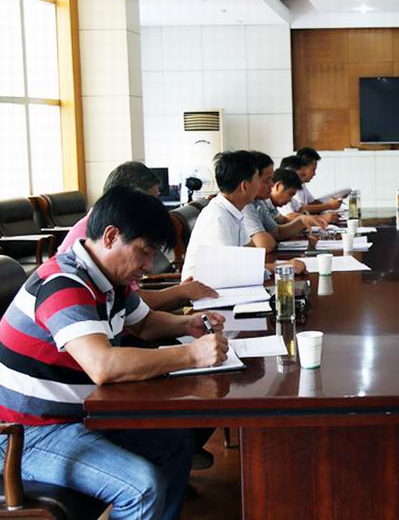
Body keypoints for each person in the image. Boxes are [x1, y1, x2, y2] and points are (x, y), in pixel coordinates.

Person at [0, 186, 229, 520]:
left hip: (78, 418)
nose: (148, 266)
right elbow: (103, 365)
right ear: (110, 237)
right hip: (27, 433)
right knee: (141, 488)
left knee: (174, 443)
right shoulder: (64, 283)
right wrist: (192, 356)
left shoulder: (108, 280)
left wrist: (187, 324)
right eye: (144, 252)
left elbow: (144, 324)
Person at [57, 161, 217, 310]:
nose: (156, 207)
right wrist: (182, 292)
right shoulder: (93, 242)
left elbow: (134, 312)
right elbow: (136, 305)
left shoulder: (117, 235)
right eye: (152, 200)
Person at [181, 151, 305, 281]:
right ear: (244, 186)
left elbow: (244, 254)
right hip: (206, 289)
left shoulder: (233, 210)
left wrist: (278, 266)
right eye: (258, 179)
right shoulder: (217, 217)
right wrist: (277, 267)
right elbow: (228, 270)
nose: (267, 185)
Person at [244, 152, 327, 251]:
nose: (272, 185)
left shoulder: (259, 202)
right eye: (267, 180)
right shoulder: (246, 205)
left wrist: (302, 221)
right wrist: (266, 237)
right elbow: (266, 244)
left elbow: (277, 232)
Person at [279, 148, 342, 219]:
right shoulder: (286, 191)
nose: (314, 174)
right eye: (302, 175)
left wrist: (330, 205)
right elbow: (292, 216)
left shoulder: (296, 189)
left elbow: (301, 209)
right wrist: (326, 211)